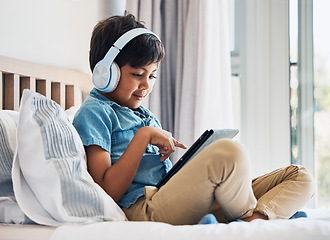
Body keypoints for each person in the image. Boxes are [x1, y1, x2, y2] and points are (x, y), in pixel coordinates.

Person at [72, 14, 315, 225]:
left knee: (301, 177)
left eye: (152, 76)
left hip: (170, 197)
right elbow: (106, 191)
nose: (146, 85)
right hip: (145, 209)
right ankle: (256, 218)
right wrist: (143, 136)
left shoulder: (143, 115)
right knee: (229, 153)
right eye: (137, 74)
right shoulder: (95, 112)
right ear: (106, 72)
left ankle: (254, 221)